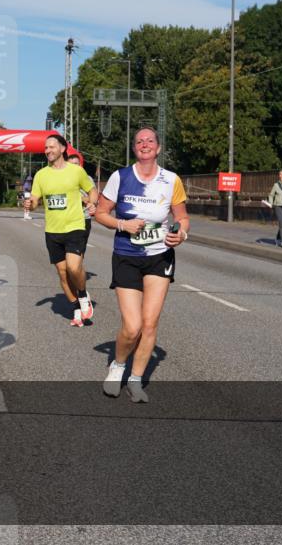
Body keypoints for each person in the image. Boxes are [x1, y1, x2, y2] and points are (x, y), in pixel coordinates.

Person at [95, 127, 189, 403]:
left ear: (158, 148)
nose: (144, 144)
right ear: (134, 148)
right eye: (139, 141)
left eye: (150, 141)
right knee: (132, 326)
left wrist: (181, 234)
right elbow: (100, 213)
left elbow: (182, 217)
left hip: (160, 256)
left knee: (149, 324)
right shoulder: (121, 177)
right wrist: (122, 224)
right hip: (127, 255)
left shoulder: (171, 180)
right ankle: (118, 366)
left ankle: (136, 380)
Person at [25, 135, 96, 327]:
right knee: (63, 274)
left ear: (63, 148)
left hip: (74, 226)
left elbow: (92, 190)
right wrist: (30, 204)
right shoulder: (41, 175)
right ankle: (76, 307)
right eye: (46, 148)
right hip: (52, 230)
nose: (48, 150)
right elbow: (35, 200)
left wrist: (93, 203)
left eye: (52, 147)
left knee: (73, 267)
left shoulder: (76, 171)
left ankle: (83, 296)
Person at [67, 151, 98, 248]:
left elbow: (94, 197)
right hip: (67, 218)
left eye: (76, 164)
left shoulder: (88, 178)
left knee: (80, 249)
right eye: (71, 165)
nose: (74, 167)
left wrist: (88, 200)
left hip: (84, 218)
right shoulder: (64, 179)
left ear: (80, 165)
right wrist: (79, 198)